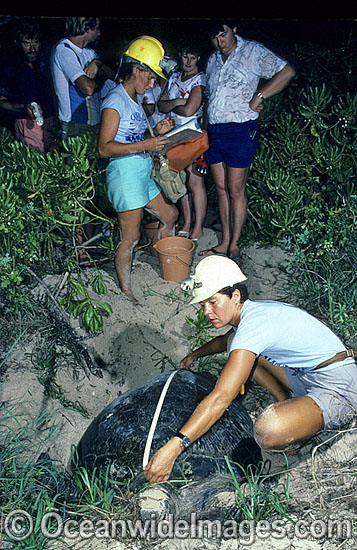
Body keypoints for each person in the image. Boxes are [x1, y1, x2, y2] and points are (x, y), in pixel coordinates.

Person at [143, 255, 356, 483]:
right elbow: (225, 340)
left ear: (235, 296)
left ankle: (297, 435)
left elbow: (221, 398)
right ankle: (285, 400)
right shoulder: (252, 314)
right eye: (202, 304)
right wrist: (195, 354)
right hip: (303, 373)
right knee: (235, 348)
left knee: (268, 429)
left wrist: (174, 447)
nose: (206, 311)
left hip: (338, 384)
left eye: (213, 302)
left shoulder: (253, 326)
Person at [200, 20, 296, 261]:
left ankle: (235, 244)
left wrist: (260, 95)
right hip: (215, 130)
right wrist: (204, 130)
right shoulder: (212, 60)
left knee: (235, 188)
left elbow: (287, 71)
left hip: (240, 129)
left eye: (223, 35)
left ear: (234, 29)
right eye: (215, 37)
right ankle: (224, 242)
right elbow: (209, 97)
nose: (219, 42)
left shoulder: (252, 51)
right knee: (221, 189)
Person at [98, 36, 178, 303]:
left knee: (170, 214)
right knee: (130, 236)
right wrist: (147, 142)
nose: (153, 83)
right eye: (151, 77)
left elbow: (133, 138)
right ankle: (126, 290)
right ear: (137, 70)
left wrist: (157, 132)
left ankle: (165, 262)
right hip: (125, 174)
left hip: (141, 171)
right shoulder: (115, 100)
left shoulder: (134, 99)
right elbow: (105, 148)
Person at [158, 44, 207, 243]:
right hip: (173, 134)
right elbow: (161, 105)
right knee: (178, 180)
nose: (188, 62)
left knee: (195, 181)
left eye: (192, 58)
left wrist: (176, 104)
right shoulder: (175, 77)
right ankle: (186, 223)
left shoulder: (201, 79)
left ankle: (198, 228)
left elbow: (190, 111)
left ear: (198, 59)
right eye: (185, 57)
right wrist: (179, 102)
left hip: (193, 134)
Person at [51, 17, 115, 140]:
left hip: (94, 125)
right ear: (86, 29)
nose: (99, 33)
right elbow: (88, 88)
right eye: (97, 28)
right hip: (75, 126)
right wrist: (100, 79)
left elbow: (115, 78)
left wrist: (97, 63)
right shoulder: (64, 50)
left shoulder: (89, 53)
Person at [0, 17, 57, 153]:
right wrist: (24, 107)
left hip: (51, 123)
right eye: (27, 43)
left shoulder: (46, 62)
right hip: (27, 125)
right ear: (17, 43)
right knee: (35, 167)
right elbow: (1, 102)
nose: (32, 48)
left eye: (36, 42)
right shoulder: (9, 68)